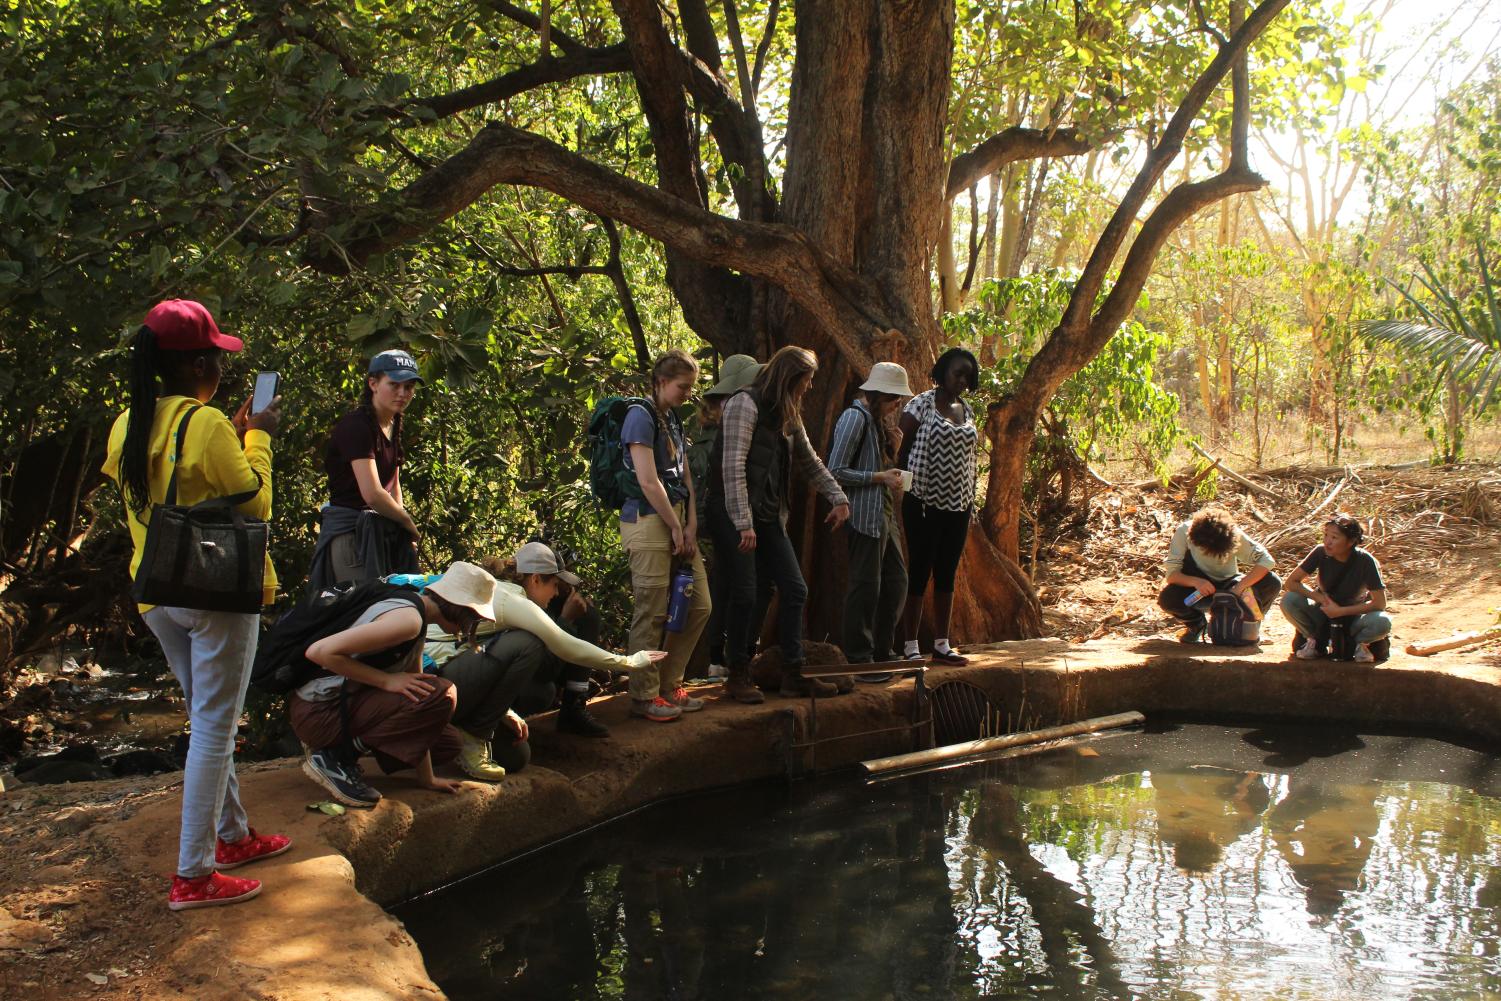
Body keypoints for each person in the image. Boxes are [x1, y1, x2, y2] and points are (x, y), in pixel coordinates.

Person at [103, 299, 289, 911]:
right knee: (213, 727)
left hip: (155, 592)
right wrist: (258, 435)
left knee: (205, 716)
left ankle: (232, 838)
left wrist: (230, 435)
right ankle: (193, 874)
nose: (221, 367)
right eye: (216, 356)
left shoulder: (128, 423)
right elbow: (253, 503)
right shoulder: (205, 425)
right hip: (216, 593)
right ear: (197, 365)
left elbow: (171, 490)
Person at [426, 545, 668, 778]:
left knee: (516, 757)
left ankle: (464, 732)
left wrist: (503, 712)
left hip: (459, 680)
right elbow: (563, 644)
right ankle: (473, 733)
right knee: (528, 643)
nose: (555, 594)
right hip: (439, 682)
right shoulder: (509, 599)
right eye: (554, 585)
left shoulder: (517, 597)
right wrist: (628, 661)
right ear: (535, 580)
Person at [708, 346, 851, 701]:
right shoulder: (745, 403)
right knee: (744, 590)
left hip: (768, 514)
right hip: (731, 511)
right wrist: (743, 522)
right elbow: (733, 467)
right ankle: (737, 673)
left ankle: (793, 673)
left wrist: (838, 497)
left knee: (793, 588)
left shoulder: (788, 413)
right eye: (808, 379)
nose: (810, 387)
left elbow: (809, 460)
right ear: (791, 376)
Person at [292, 561, 498, 807]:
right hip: (318, 711)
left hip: (338, 707)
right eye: (473, 618)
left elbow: (420, 698)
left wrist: (428, 779)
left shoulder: (417, 618)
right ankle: (334, 757)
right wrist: (387, 681)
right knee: (444, 694)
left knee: (448, 743)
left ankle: (346, 749)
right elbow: (319, 652)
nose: (470, 628)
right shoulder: (408, 620)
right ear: (460, 609)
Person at [619, 350, 713, 722]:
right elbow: (647, 479)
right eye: (682, 386)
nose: (688, 393)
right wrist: (674, 526)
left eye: (691, 387)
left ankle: (669, 683)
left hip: (676, 516)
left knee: (700, 603)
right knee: (652, 611)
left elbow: (685, 473)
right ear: (661, 382)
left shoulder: (672, 417)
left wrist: (690, 524)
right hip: (647, 519)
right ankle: (643, 695)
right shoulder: (639, 416)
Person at [306, 349, 423, 594]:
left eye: (409, 386)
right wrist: (407, 523)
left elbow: (393, 485)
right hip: (352, 537)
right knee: (361, 613)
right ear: (373, 383)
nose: (403, 393)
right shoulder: (356, 426)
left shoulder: (394, 422)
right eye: (394, 385)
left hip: (381, 534)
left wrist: (402, 535)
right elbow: (372, 493)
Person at [827, 362, 914, 682]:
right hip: (864, 515)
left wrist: (894, 447)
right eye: (894, 400)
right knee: (865, 586)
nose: (897, 406)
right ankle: (859, 658)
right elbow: (835, 471)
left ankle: (882, 650)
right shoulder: (854, 418)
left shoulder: (877, 422)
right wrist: (878, 476)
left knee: (896, 581)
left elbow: (883, 467)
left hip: (885, 515)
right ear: (879, 394)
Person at [897, 347, 980, 666]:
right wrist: (907, 493)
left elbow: (971, 458)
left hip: (958, 505)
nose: (962, 379)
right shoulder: (921, 404)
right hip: (923, 502)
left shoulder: (967, 410)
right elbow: (900, 450)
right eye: (958, 372)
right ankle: (910, 646)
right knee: (919, 570)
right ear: (943, 371)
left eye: (968, 376)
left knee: (947, 572)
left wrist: (970, 502)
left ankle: (942, 645)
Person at [688, 354, 762, 678]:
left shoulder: (711, 430)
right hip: (722, 518)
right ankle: (724, 657)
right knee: (731, 587)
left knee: (725, 585)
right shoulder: (714, 435)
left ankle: (720, 656)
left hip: (716, 519)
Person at [1158, 506, 1281, 643]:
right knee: (1168, 599)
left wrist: (1239, 588)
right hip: (1197, 592)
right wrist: (1196, 582)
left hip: (1230, 589)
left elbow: (1267, 561)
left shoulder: (1233, 534)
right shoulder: (1184, 532)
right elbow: (1172, 575)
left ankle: (1251, 626)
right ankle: (1197, 625)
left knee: (1272, 582)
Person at [1281, 515, 1392, 662]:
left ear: (1351, 541)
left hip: (1353, 617)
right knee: (1290, 600)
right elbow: (1291, 582)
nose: (1328, 541)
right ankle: (1314, 640)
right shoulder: (1320, 553)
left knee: (1382, 622)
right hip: (1323, 613)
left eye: (1334, 537)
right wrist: (1320, 598)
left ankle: (1358, 644)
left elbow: (1379, 603)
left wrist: (1340, 611)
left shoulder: (1365, 560)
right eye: (1326, 535)